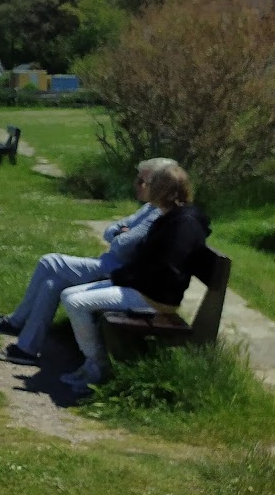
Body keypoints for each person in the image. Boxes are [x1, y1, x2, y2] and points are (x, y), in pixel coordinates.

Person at [0, 158, 175, 362]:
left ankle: (15, 323)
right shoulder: (149, 208)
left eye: (143, 182)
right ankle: (26, 350)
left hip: (117, 271)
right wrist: (122, 233)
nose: (137, 185)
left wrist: (123, 234)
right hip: (112, 264)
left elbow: (122, 245)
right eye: (138, 180)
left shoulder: (157, 214)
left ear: (159, 185)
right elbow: (111, 231)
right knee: (51, 283)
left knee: (48, 261)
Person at [57, 162, 210, 395]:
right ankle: (92, 363)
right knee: (69, 294)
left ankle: (99, 367)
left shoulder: (182, 224)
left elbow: (164, 270)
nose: (147, 189)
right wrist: (124, 275)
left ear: (162, 190)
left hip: (154, 298)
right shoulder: (172, 217)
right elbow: (147, 261)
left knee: (75, 302)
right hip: (144, 287)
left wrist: (125, 277)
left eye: (152, 185)